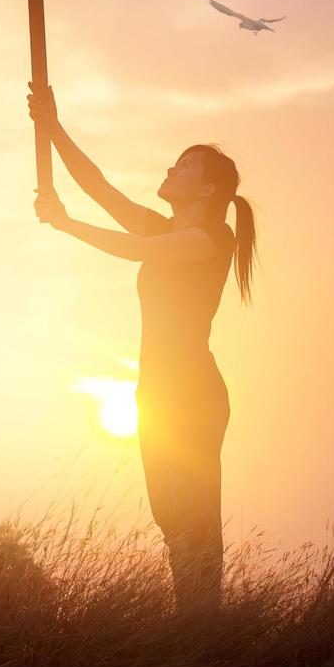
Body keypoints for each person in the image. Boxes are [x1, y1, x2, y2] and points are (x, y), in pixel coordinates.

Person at [28, 84, 256, 610]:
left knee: (193, 517)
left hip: (192, 392)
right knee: (171, 518)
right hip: (154, 390)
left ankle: (203, 632)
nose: (171, 170)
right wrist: (53, 124)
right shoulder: (167, 227)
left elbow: (134, 249)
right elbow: (99, 188)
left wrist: (63, 224)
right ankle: (192, 624)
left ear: (206, 190)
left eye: (183, 167)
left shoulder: (213, 238)